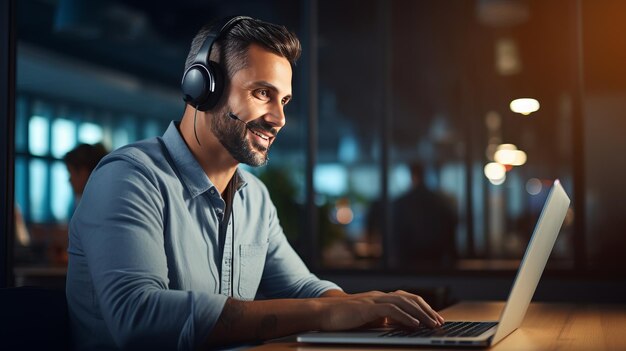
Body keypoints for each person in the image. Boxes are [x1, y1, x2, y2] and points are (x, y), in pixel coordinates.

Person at [66, 16, 444, 350]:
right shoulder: (129, 177)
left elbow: (301, 288)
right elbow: (138, 318)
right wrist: (324, 313)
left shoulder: (255, 199)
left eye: (285, 100)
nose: (279, 118)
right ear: (203, 87)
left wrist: (362, 308)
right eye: (263, 93)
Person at [390, 162, 458, 267]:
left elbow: (396, 234)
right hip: (436, 262)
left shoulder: (402, 203)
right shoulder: (439, 201)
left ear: (412, 176)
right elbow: (450, 230)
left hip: (408, 263)